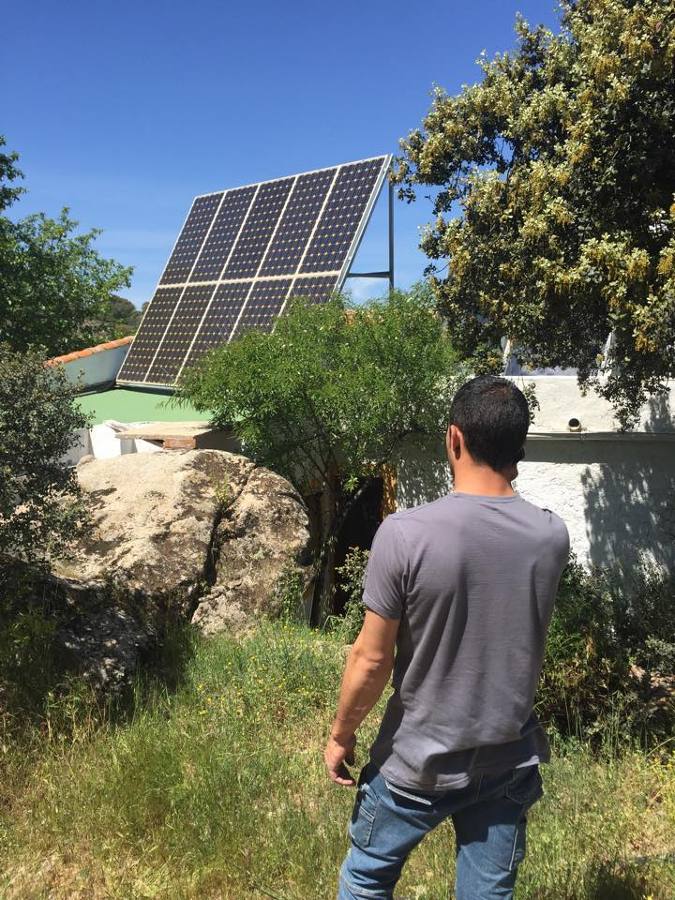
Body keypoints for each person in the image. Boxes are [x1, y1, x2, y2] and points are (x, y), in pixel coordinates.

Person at [324, 375, 570, 900]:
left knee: (366, 881)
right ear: (518, 448)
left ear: (453, 438)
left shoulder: (405, 533)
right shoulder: (551, 535)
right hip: (508, 758)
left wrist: (341, 735)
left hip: (417, 763)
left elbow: (372, 660)